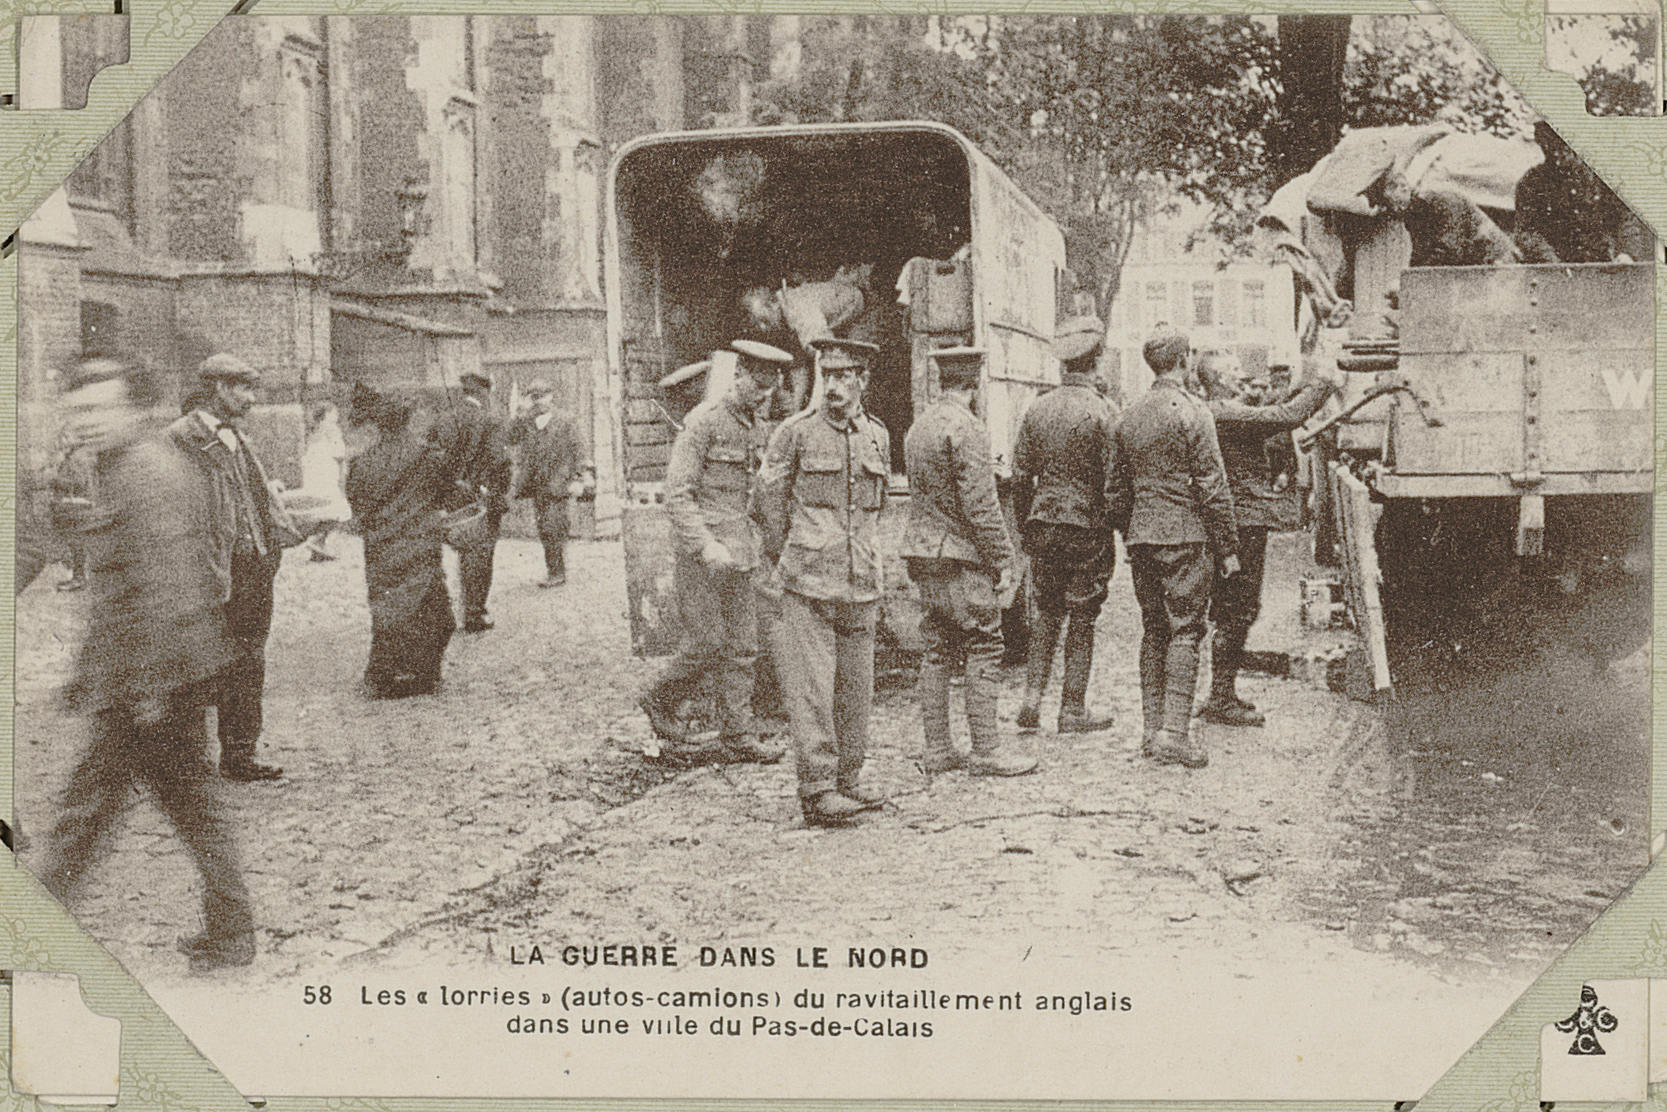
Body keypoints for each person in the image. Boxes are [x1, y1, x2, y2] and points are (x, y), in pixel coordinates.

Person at [38, 356, 256, 973]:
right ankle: (233, 930)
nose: (87, 421)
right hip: (150, 676)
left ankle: (32, 928)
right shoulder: (122, 465)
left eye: (99, 409)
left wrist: (149, 688)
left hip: (152, 682)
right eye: (78, 410)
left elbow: (169, 585)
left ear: (133, 410)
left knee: (89, 812)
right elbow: (117, 586)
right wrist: (89, 670)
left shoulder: (146, 471)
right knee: (187, 807)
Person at [753, 337, 891, 826]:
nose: (832, 385)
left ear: (863, 380)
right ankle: (816, 790)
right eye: (826, 374)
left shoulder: (878, 435)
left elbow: (879, 507)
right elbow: (766, 504)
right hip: (809, 582)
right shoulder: (795, 433)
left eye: (844, 375)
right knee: (811, 691)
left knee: (857, 688)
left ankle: (848, 781)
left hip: (860, 581)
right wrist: (787, 556)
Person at [638, 342, 793, 764]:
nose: (761, 397)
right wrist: (706, 544)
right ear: (739, 374)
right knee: (706, 642)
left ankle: (738, 736)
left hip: (741, 554)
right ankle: (658, 697)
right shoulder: (703, 422)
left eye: (769, 391)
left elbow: (755, 494)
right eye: (756, 386)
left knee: (743, 646)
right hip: (702, 557)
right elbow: (678, 494)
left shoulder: (757, 427)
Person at [1108, 326, 1240, 769]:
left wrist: (1131, 531)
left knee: (1154, 629)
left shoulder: (1126, 415)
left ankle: (1151, 731)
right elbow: (1212, 486)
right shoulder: (1193, 411)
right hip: (1186, 536)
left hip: (1142, 538)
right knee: (1186, 630)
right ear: (1184, 361)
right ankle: (1174, 735)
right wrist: (1228, 546)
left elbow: (1114, 491)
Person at [903, 347, 1035, 778]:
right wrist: (1005, 561)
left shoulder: (918, 427)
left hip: (924, 554)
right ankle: (986, 750)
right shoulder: (969, 428)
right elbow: (982, 507)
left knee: (937, 647)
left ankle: (939, 748)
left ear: (943, 380)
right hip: (961, 558)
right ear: (975, 383)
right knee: (985, 644)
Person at [170, 354, 302, 782]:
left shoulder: (237, 437)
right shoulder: (181, 437)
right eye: (244, 388)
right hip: (210, 571)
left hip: (251, 569)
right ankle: (183, 759)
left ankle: (240, 754)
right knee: (198, 662)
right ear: (219, 389)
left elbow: (250, 495)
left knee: (248, 661)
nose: (251, 398)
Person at [1195, 350, 1338, 726]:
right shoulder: (1224, 412)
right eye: (1236, 371)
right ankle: (1221, 698)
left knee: (1233, 609)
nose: (1243, 376)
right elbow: (1283, 416)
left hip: (1236, 521)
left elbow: (1276, 407)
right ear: (1221, 379)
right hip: (1240, 523)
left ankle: (1221, 693)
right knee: (1237, 609)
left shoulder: (1221, 409)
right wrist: (1325, 381)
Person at [1010, 314, 1120, 734]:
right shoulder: (1104, 412)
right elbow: (1114, 482)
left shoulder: (1036, 410)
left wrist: (1027, 526)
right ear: (1097, 360)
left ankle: (1031, 701)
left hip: (1043, 522)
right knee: (1082, 615)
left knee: (1047, 612)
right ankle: (1072, 710)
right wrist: (1111, 525)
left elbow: (1021, 477)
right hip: (1086, 527)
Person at [345, 384, 471, 698]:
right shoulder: (427, 456)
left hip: (382, 548)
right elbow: (449, 495)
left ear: (378, 423)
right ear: (408, 418)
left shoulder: (361, 463)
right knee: (431, 611)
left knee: (389, 610)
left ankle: (384, 675)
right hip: (420, 544)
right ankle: (424, 672)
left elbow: (356, 502)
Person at [448, 371, 512, 632]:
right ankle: (474, 612)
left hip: (451, 499)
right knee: (480, 556)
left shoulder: (445, 419)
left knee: (461, 553)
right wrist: (498, 491)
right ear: (484, 393)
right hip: (481, 500)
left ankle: (457, 610)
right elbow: (499, 461)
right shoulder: (492, 420)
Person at [512, 382, 579, 588]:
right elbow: (511, 437)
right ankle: (555, 570)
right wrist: (520, 411)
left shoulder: (566, 420)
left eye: (541, 396)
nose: (538, 401)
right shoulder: (527, 422)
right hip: (537, 484)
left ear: (550, 396)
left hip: (559, 482)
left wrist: (577, 477)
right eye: (534, 397)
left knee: (553, 525)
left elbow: (578, 448)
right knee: (544, 527)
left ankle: (557, 572)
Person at [298, 402, 352, 562]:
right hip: (325, 474)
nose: (336, 415)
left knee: (325, 511)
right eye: (333, 412)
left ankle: (318, 543)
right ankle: (317, 540)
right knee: (337, 510)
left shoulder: (314, 432)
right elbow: (339, 452)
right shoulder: (331, 430)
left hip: (317, 475)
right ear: (326, 414)